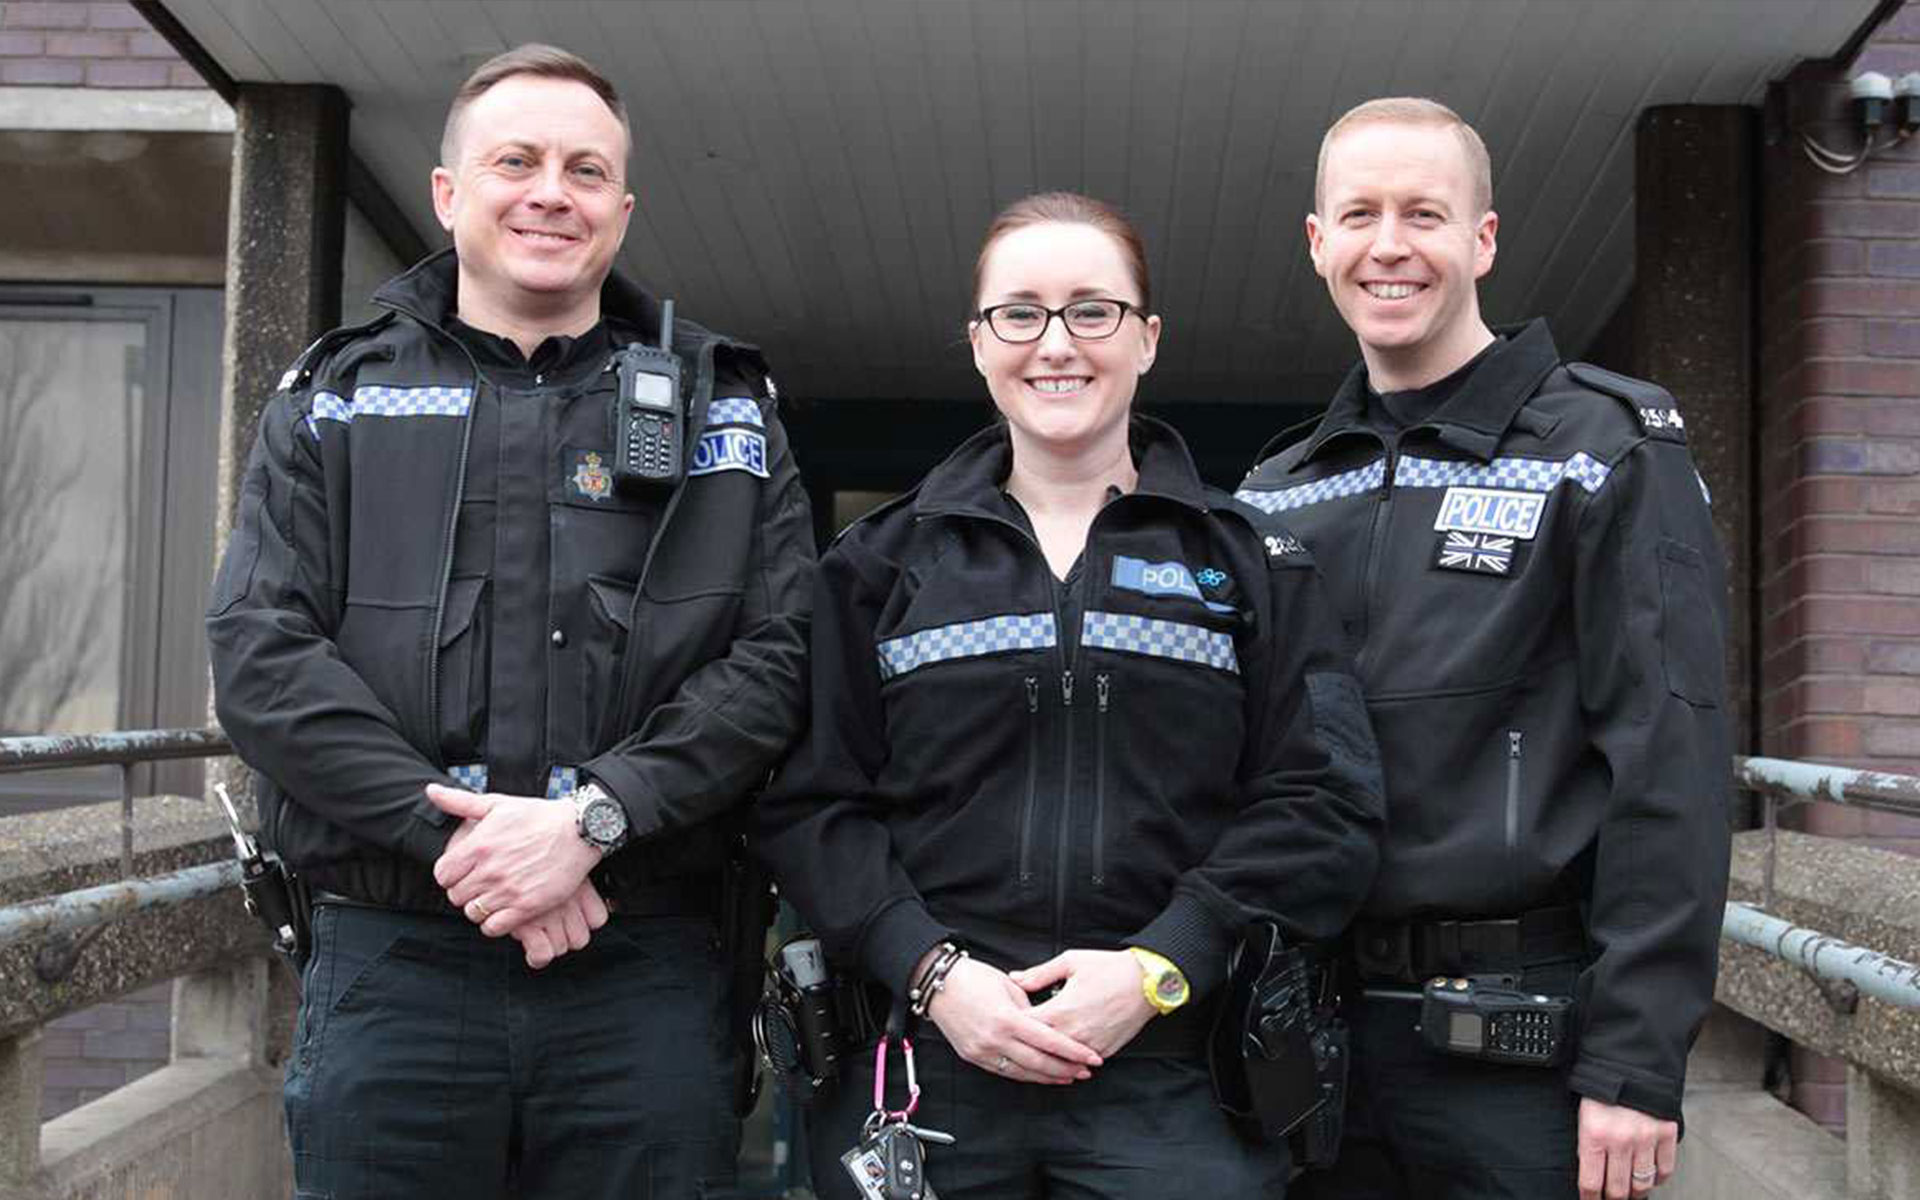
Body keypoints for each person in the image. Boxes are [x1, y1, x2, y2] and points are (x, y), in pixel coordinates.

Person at [206, 44, 813, 1200]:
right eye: (517, 161)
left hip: (645, 973)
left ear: (621, 212)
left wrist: (593, 822)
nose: (551, 191)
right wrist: (473, 854)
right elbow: (262, 657)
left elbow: (778, 662)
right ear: (449, 193)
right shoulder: (335, 395)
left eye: (586, 171)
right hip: (397, 967)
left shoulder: (722, 405)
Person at [754, 191, 1385, 1199]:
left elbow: (1326, 804)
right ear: (977, 342)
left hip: (1176, 1085)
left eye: (1094, 311)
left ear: (1146, 340)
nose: (1057, 344)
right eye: (1021, 313)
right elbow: (809, 805)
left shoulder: (1254, 564)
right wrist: (933, 974)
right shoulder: (876, 567)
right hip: (929, 1072)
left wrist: (1157, 968)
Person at [1236, 98, 1732, 1200]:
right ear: (1318, 243)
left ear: (1484, 239)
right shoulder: (1277, 492)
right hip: (1310, 1045)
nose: (1390, 245)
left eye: (1426, 212)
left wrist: (1636, 1062)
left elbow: (1673, 760)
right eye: (1358, 214)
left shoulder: (1605, 448)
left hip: (1527, 1052)